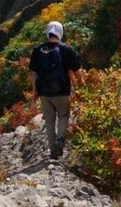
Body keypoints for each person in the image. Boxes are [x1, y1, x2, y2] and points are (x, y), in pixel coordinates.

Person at [29, 20, 82, 159]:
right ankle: (60, 139)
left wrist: (34, 94)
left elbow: (33, 74)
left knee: (50, 120)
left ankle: (53, 152)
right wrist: (82, 86)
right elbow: (77, 71)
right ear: (60, 32)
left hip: (44, 93)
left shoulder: (37, 50)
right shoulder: (67, 50)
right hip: (62, 91)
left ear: (48, 32)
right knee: (64, 115)